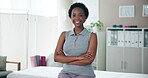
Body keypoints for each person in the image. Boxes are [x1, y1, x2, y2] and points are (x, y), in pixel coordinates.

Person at [54, 2, 97, 78]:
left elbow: (88, 60)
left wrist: (64, 59)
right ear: (71, 17)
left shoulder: (92, 36)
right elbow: (56, 58)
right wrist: (79, 57)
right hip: (66, 72)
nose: (77, 18)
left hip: (85, 73)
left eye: (80, 15)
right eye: (74, 15)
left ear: (85, 17)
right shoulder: (64, 34)